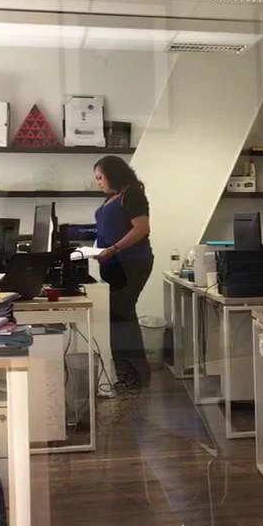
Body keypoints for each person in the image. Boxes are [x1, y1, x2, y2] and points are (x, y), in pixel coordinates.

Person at [92, 155, 154, 390]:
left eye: (100, 177)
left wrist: (114, 248)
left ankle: (134, 375)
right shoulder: (113, 197)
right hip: (114, 265)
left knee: (121, 316)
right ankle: (129, 373)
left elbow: (142, 228)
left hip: (131, 263)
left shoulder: (133, 195)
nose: (98, 182)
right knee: (119, 316)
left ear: (113, 174)